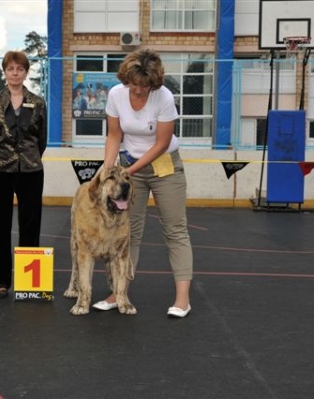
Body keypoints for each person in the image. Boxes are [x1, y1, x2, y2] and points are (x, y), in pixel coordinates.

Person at [92, 49, 194, 318]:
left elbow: (161, 144)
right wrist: (107, 171)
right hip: (129, 167)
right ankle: (119, 293)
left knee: (175, 229)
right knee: (127, 233)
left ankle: (182, 299)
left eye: (144, 86)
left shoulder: (164, 98)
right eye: (134, 85)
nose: (138, 91)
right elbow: (114, 135)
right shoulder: (115, 95)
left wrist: (127, 171)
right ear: (126, 79)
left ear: (154, 83)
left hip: (164, 165)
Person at [0, 50, 47, 298]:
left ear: (26, 72)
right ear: (5, 72)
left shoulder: (38, 102)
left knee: (30, 225)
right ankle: (1, 281)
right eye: (11, 69)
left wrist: (28, 157)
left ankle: (30, 282)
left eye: (20, 69)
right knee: (0, 226)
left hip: (30, 170)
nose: (15, 73)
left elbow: (42, 140)